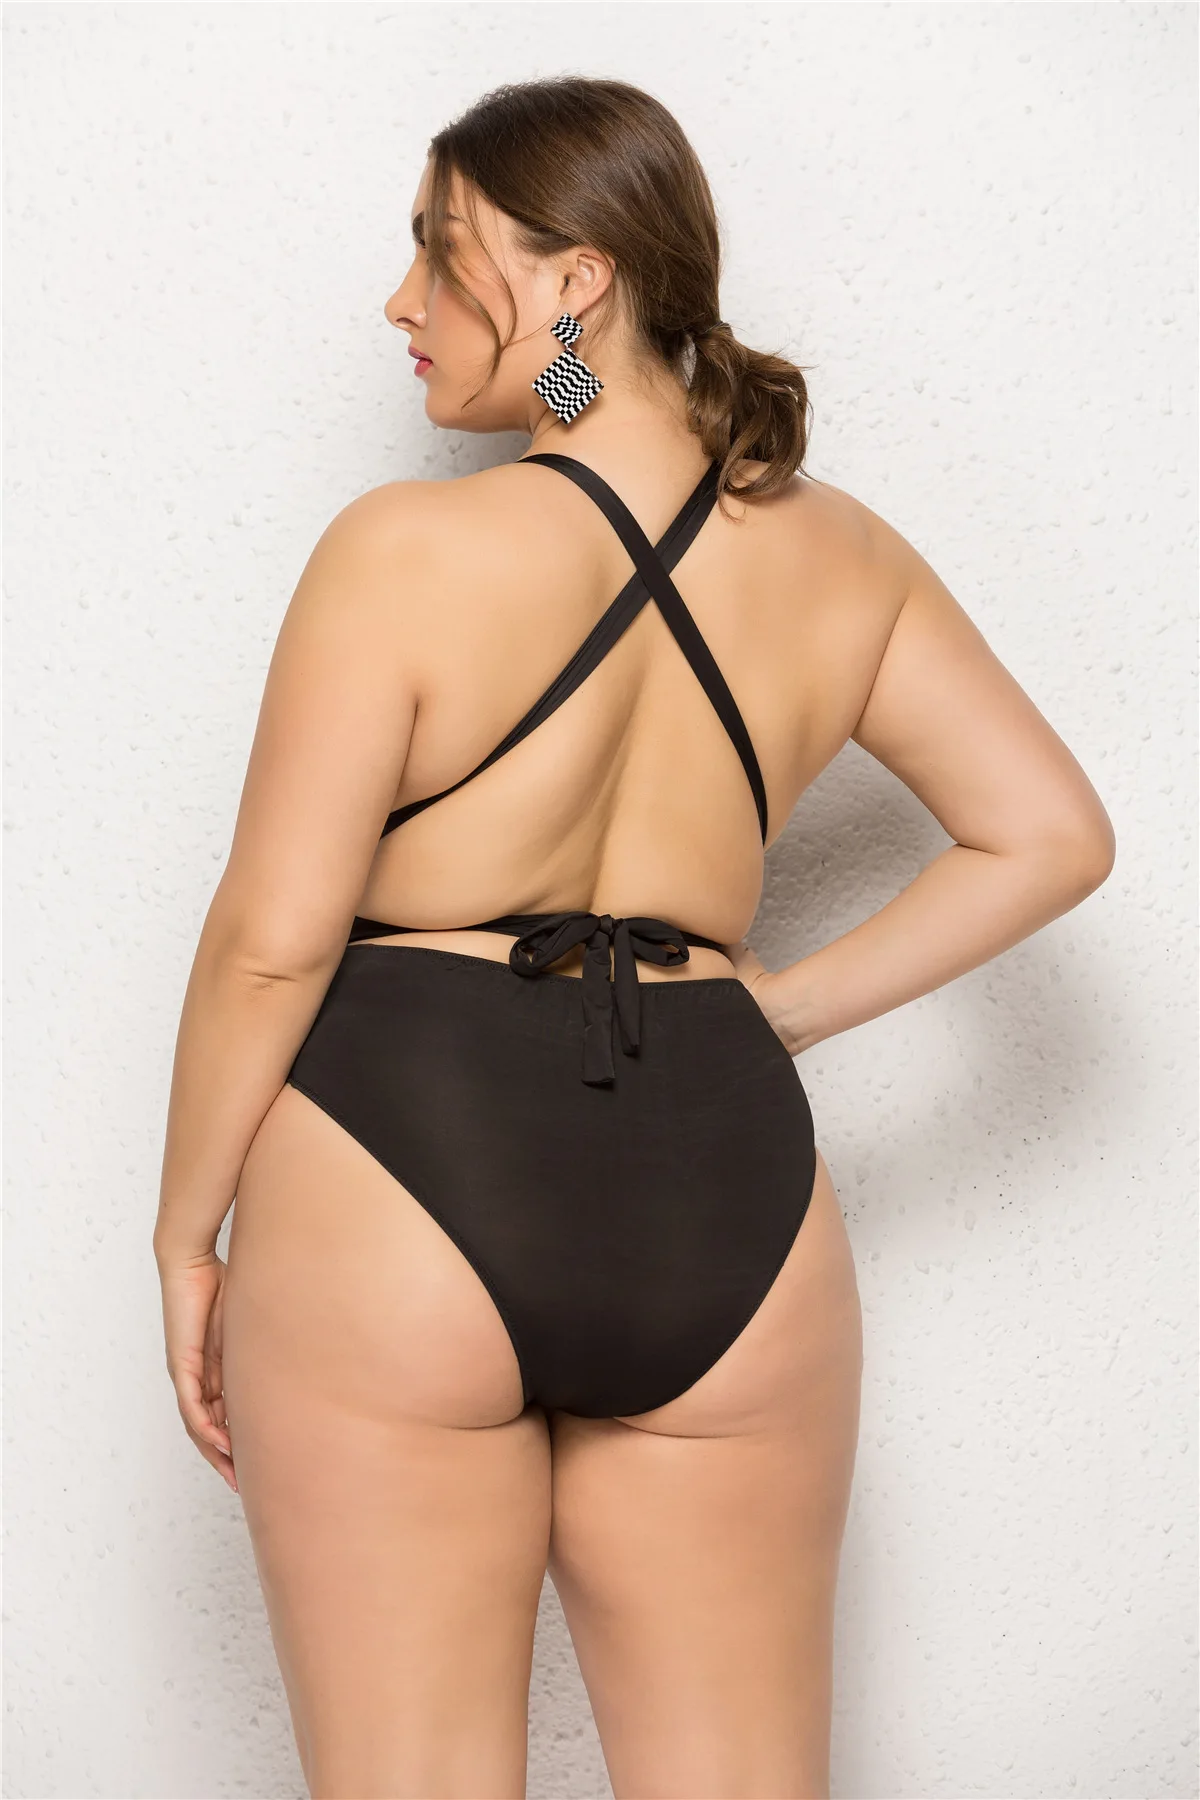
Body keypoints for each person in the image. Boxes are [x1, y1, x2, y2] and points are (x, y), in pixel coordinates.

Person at [152, 75, 1116, 1800]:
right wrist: (780, 1012)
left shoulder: (403, 549)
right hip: (723, 1177)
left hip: (404, 1162)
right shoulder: (847, 562)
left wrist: (183, 1239)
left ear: (578, 278)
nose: (400, 302)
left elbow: (272, 943)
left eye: (439, 251)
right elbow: (1051, 835)